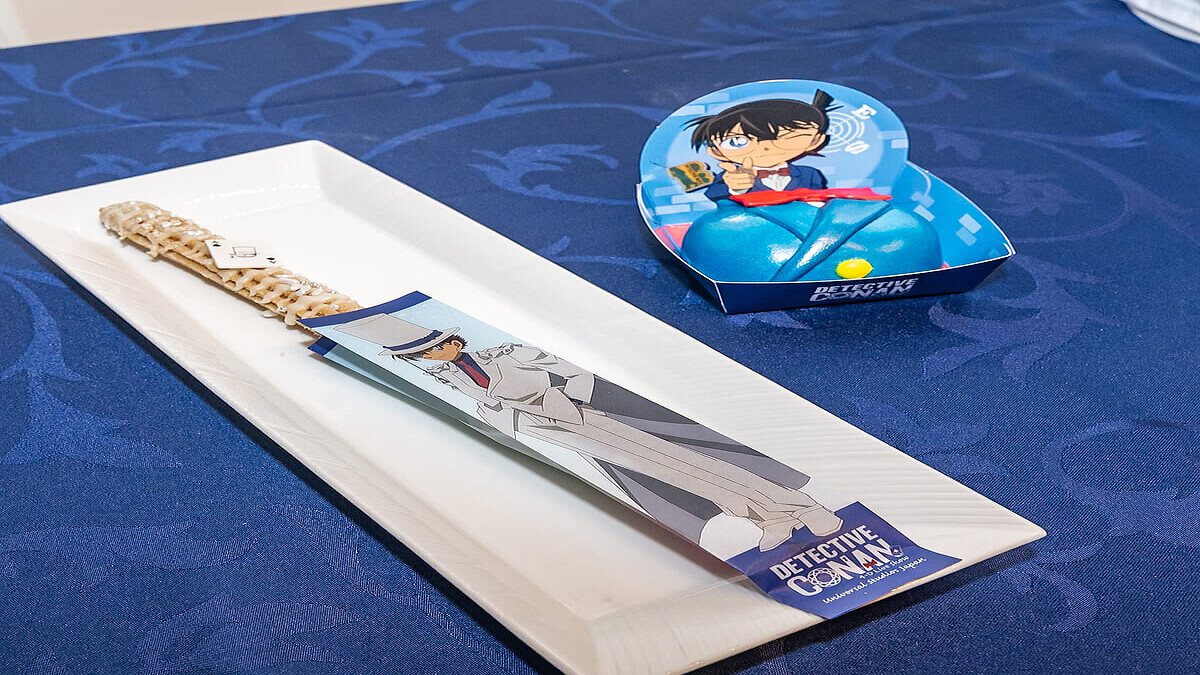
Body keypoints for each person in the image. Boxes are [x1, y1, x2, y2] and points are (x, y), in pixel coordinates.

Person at [337, 313, 844, 552]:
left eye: (435, 345)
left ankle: (801, 507)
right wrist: (521, 420)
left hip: (579, 415)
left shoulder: (504, 353)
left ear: (452, 338)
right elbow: (490, 407)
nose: (434, 355)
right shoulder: (450, 379)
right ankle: (764, 517)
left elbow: (567, 372)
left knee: (689, 460)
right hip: (551, 432)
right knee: (667, 475)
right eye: (422, 354)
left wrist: (566, 397)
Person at [686, 92, 836, 202]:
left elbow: (819, 198)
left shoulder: (809, 173)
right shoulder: (730, 177)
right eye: (737, 141)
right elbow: (714, 195)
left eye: (786, 137)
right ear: (716, 151)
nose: (765, 147)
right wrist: (737, 187)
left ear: (815, 140)